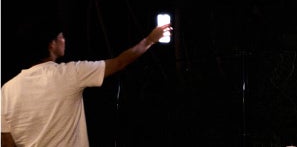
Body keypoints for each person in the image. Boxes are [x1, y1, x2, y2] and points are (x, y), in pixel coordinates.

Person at [0, 20, 172, 147]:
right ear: (51, 44)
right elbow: (119, 62)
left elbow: (7, 142)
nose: (64, 40)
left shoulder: (7, 90)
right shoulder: (70, 73)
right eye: (61, 37)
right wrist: (150, 40)